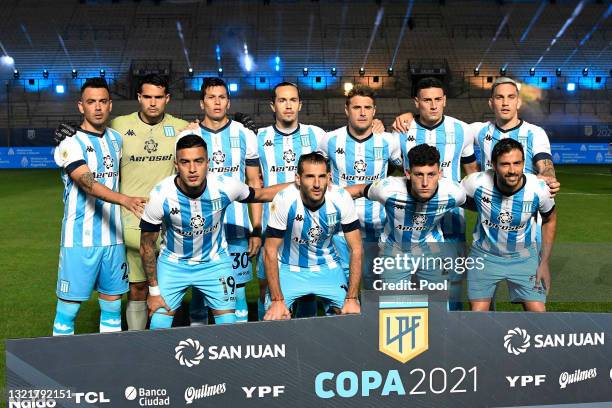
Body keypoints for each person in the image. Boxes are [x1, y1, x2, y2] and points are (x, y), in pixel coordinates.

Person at [140, 135, 287, 328]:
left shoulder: (225, 186)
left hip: (215, 263)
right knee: (158, 325)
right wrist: (153, 291)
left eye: (198, 161)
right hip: (173, 265)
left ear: (208, 163)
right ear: (176, 164)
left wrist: (300, 186)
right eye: (185, 162)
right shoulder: (161, 196)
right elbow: (146, 247)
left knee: (228, 324)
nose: (192, 169)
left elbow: (260, 194)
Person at [52, 77, 147, 335]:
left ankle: (111, 366)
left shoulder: (116, 140)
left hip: (113, 241)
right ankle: (59, 367)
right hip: (79, 241)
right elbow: (86, 182)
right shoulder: (69, 143)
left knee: (113, 306)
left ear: (110, 105)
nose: (97, 107)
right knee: (68, 309)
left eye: (102, 101)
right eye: (90, 102)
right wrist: (124, 199)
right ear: (80, 106)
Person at [178, 77, 262, 323]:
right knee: (199, 294)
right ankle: (201, 349)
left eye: (222, 97)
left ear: (229, 102)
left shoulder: (244, 134)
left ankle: (238, 347)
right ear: (202, 103)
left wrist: (256, 229)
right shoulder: (189, 135)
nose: (217, 102)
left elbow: (254, 183)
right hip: (199, 230)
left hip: (236, 228)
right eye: (211, 97)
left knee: (237, 292)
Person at [109, 74, 189, 330]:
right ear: (139, 98)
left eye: (158, 97)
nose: (153, 103)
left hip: (170, 222)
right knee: (138, 286)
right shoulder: (119, 125)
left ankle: (162, 343)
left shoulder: (182, 127)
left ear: (167, 99)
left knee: (167, 286)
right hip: (132, 221)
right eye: (147, 97)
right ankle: (136, 342)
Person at [396, 77, 479, 308]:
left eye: (437, 99)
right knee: (412, 285)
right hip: (411, 224)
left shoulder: (462, 129)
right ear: (416, 102)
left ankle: (451, 336)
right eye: (426, 100)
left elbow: (472, 174)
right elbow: (391, 169)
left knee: (452, 283)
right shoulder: (402, 129)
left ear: (444, 100)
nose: (433, 105)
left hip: (451, 219)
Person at [345, 144, 466, 295]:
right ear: (408, 174)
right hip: (394, 248)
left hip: (432, 247)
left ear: (440, 174)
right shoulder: (388, 189)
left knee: (437, 305)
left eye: (431, 174)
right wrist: (326, 196)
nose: (425, 183)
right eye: (419, 174)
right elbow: (357, 190)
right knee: (394, 306)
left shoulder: (454, 193)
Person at [318, 85, 402, 289]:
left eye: (368, 107)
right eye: (357, 107)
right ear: (347, 110)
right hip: (339, 228)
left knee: (375, 287)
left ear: (375, 111)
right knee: (340, 288)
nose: (363, 112)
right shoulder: (330, 140)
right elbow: (317, 170)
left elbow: (402, 170)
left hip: (379, 226)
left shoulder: (388, 141)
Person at [263, 152, 362, 320]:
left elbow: (357, 248)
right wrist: (277, 300)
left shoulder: (341, 198)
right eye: (310, 177)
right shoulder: (284, 199)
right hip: (289, 268)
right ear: (298, 179)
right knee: (274, 317)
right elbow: (270, 251)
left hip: (328, 267)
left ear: (329, 178)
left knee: (352, 316)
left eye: (322, 177)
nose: (317, 184)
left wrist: (352, 298)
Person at [461, 138, 557, 312]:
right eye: (505, 164)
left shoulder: (539, 189)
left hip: (524, 257)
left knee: (540, 315)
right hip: (484, 256)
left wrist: (544, 262)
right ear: (494, 165)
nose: (512, 170)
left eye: (517, 163)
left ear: (523, 163)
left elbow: (550, 220)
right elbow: (453, 197)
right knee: (476, 317)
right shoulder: (476, 182)